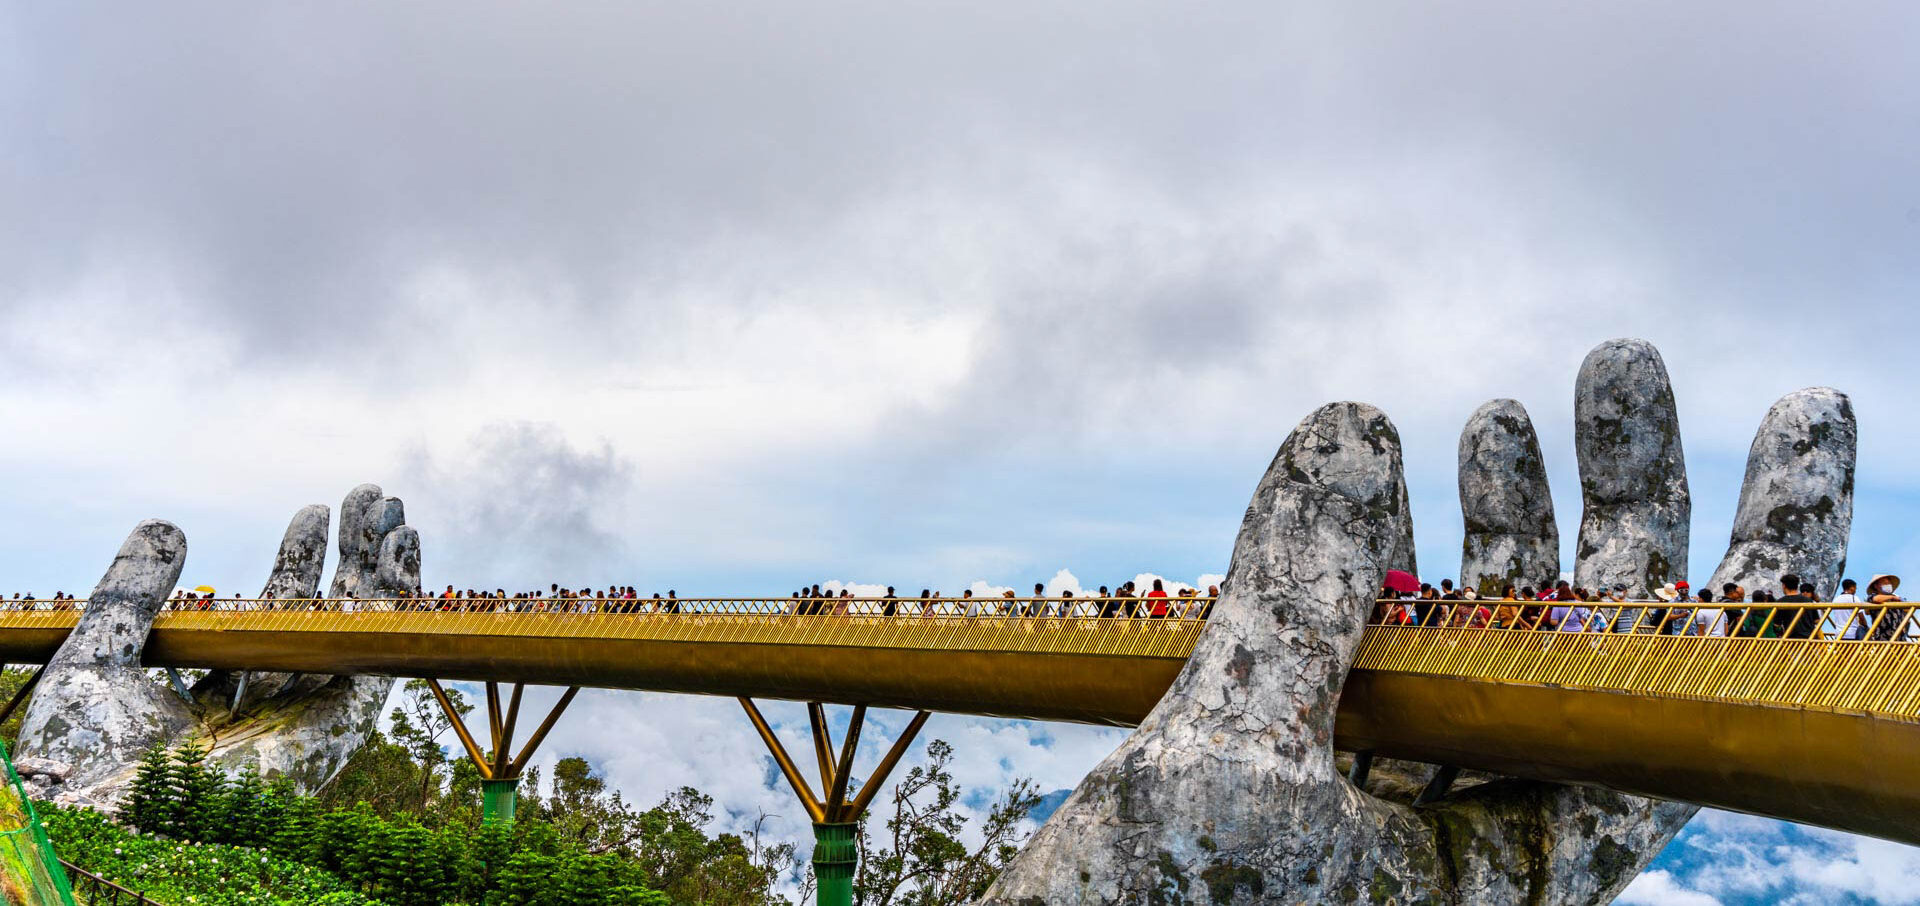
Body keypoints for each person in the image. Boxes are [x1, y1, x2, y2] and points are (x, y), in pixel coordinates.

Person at [1866, 575, 1907, 640]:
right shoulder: (1873, 596)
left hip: (1900, 638)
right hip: (1883, 638)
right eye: (1885, 583)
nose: (1888, 585)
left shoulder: (1895, 598)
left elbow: (1907, 610)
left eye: (1889, 583)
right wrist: (1892, 597)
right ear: (1876, 586)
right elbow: (1876, 599)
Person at [1776, 574, 1817, 639]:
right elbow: (1816, 620)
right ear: (1797, 586)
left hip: (1792, 641)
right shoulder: (1808, 600)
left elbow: (1777, 624)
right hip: (1810, 639)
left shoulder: (1780, 602)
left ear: (1784, 586)